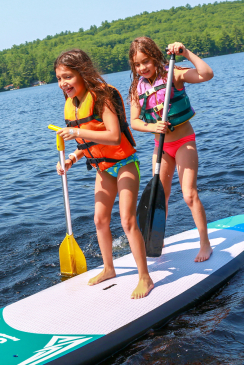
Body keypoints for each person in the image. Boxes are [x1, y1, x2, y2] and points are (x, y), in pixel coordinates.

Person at [54, 49, 154, 299]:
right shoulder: (72, 104)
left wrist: (77, 134)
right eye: (59, 78)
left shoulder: (102, 97)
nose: (63, 83)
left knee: (127, 220)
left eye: (67, 76)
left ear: (83, 73)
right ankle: (109, 268)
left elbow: (113, 135)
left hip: (125, 163)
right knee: (100, 220)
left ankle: (145, 277)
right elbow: (86, 141)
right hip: (103, 167)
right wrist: (72, 158)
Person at [129, 37, 214, 263]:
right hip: (161, 146)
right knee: (160, 197)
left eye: (146, 61)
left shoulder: (173, 75)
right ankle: (158, 240)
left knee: (188, 194)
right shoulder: (137, 88)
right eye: (137, 64)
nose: (142, 68)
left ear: (156, 57)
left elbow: (206, 74)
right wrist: (151, 127)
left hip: (184, 140)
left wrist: (186, 52)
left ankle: (205, 242)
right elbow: (134, 121)